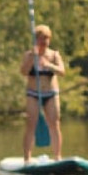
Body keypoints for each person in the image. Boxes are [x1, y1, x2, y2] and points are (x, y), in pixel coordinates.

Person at [21, 24, 66, 159]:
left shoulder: (54, 55)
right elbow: (23, 71)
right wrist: (32, 59)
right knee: (31, 124)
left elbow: (62, 71)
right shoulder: (29, 55)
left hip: (50, 93)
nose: (44, 42)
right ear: (36, 40)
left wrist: (49, 65)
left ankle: (57, 156)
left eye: (46, 39)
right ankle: (27, 157)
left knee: (54, 123)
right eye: (41, 39)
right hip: (33, 94)